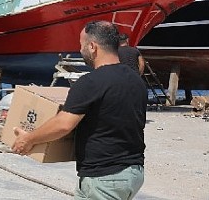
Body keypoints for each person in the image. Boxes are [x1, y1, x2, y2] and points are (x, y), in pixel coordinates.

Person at [12, 20, 147, 200]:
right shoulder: (135, 79)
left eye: (81, 44)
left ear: (92, 46)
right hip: (132, 172)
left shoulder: (90, 82)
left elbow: (63, 125)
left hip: (104, 177)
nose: (80, 49)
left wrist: (28, 139)